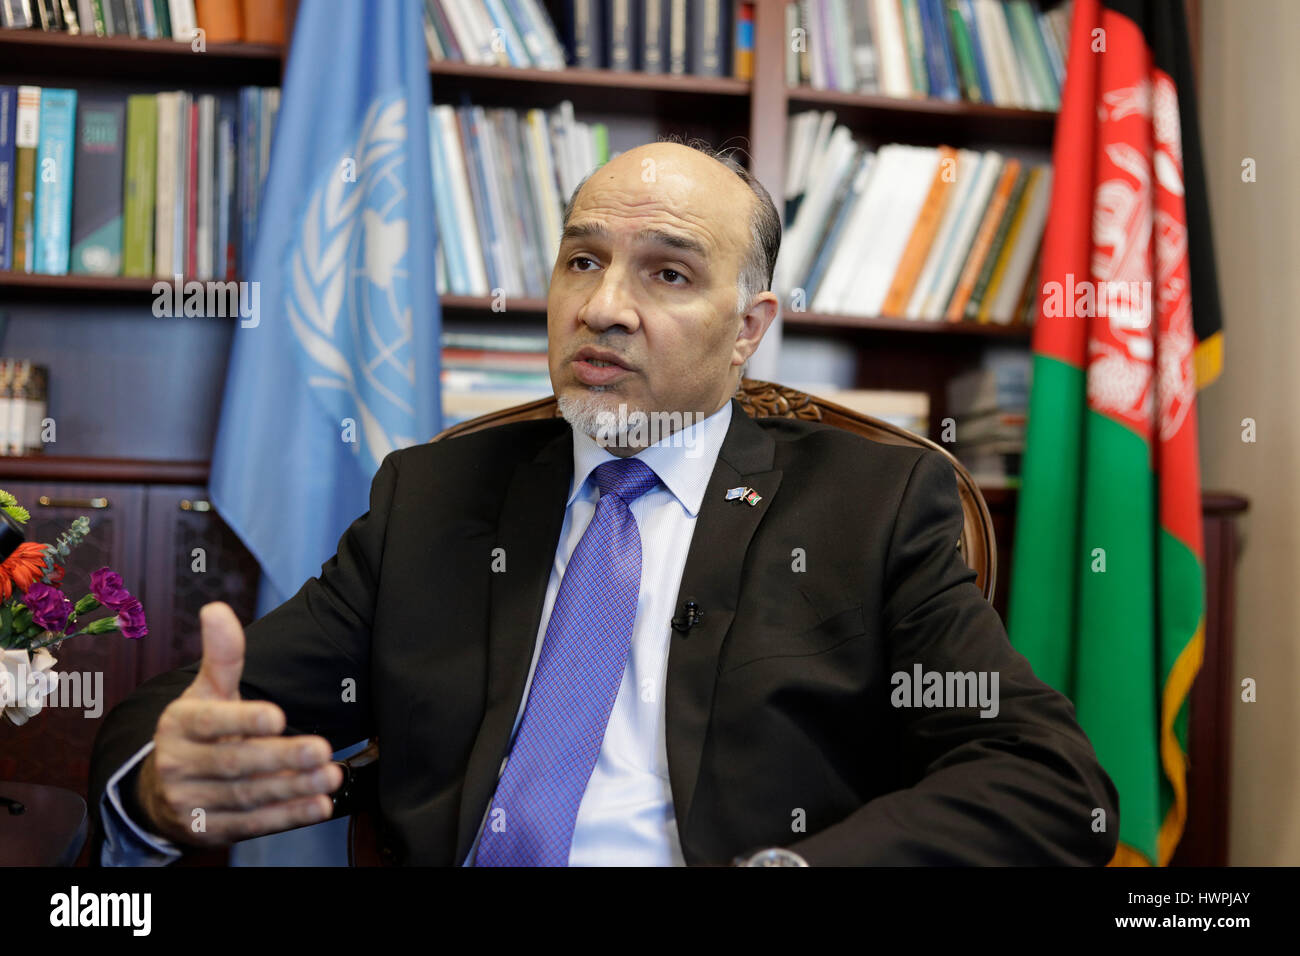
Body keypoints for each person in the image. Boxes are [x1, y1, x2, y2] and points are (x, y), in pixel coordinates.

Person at [89, 140, 1119, 866]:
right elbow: (193, 710)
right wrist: (155, 782)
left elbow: (1049, 783)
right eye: (582, 259)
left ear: (748, 324)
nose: (602, 305)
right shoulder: (438, 500)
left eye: (666, 272)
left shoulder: (870, 507)